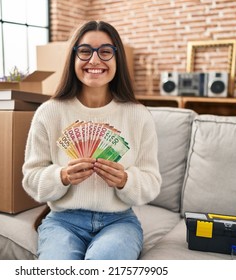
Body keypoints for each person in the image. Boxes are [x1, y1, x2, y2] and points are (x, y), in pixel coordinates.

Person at [22, 20, 162, 260]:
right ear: (73, 58)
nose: (95, 60)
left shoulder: (139, 116)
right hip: (62, 221)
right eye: (85, 51)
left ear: (117, 59)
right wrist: (61, 176)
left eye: (106, 52)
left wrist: (126, 181)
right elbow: (31, 179)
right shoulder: (49, 112)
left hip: (119, 222)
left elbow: (152, 182)